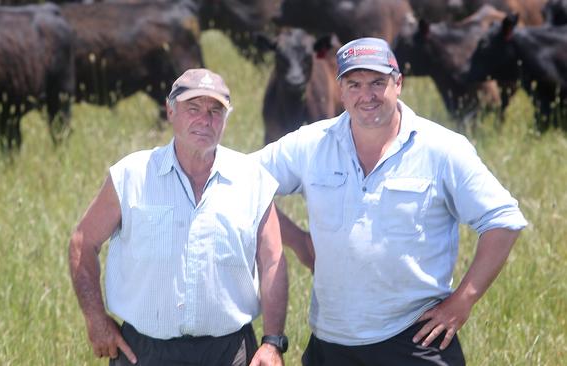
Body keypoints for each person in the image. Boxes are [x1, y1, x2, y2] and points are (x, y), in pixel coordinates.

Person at [254, 37, 527, 365]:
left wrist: (462, 302)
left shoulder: (442, 148)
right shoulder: (311, 144)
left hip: (414, 338)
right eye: (354, 84)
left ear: (399, 83)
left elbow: (503, 219)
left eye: (377, 83)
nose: (366, 96)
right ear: (340, 89)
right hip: (331, 339)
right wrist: (297, 240)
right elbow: (243, 183)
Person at [69, 68, 289, 366]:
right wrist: (95, 319)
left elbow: (273, 260)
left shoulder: (253, 180)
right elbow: (83, 242)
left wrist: (273, 342)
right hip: (145, 352)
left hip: (230, 353)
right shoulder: (131, 175)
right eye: (193, 108)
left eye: (215, 111)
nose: (205, 119)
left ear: (226, 119)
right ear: (170, 111)